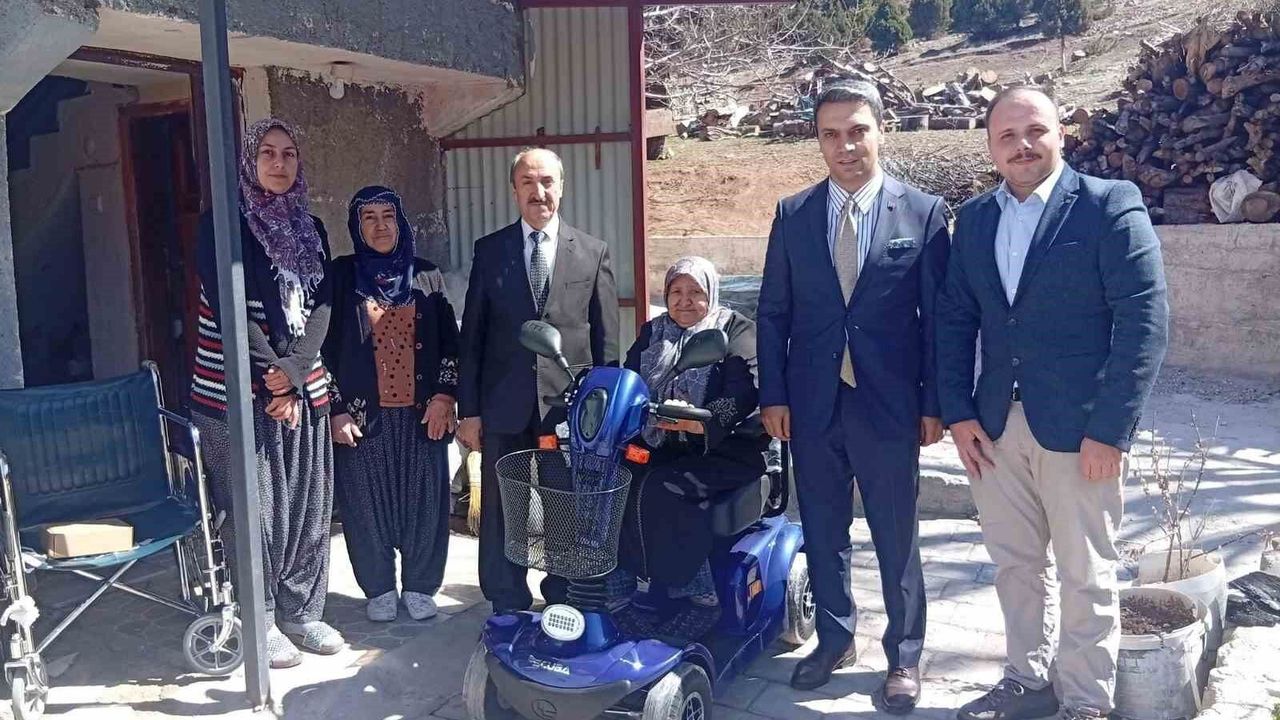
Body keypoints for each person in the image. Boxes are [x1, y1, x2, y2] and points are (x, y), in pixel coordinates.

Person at [936, 86, 1168, 720]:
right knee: (1015, 566)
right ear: (990, 147)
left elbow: (1144, 322)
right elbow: (954, 321)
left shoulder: (1108, 205)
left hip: (1080, 431)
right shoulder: (975, 220)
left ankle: (1086, 703)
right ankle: (1028, 679)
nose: (1023, 145)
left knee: (1085, 573)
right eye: (1007, 136)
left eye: (1035, 130)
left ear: (1061, 133)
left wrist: (1111, 430)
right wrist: (958, 412)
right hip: (993, 428)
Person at [756, 80, 950, 711]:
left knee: (895, 533)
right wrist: (774, 394)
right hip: (812, 404)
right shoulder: (793, 215)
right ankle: (835, 639)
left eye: (857, 130)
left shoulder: (922, 214)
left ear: (881, 131)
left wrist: (934, 404)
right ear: (818, 141)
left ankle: (904, 653)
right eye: (831, 134)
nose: (845, 146)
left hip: (889, 406)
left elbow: (938, 321)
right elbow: (773, 313)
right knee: (822, 528)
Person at [188, 118, 343, 668]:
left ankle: (302, 611)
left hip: (302, 386)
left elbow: (323, 304)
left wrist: (294, 373)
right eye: (268, 154)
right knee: (255, 511)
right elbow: (230, 307)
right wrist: (270, 375)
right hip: (235, 391)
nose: (279, 163)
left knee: (307, 505)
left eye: (289, 154)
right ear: (250, 162)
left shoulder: (311, 227)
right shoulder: (221, 226)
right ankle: (260, 616)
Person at [457, 147, 620, 613]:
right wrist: (470, 411)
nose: (539, 191)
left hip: (566, 412)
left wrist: (603, 414)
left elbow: (606, 344)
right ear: (514, 190)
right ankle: (505, 600)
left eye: (547, 181)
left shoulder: (591, 253)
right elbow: (473, 338)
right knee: (501, 507)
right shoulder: (490, 252)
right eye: (528, 182)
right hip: (503, 406)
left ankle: (563, 596)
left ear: (562, 187)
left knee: (563, 506)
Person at [323, 186, 460, 623]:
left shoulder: (427, 275)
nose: (380, 226)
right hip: (362, 416)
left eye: (388, 216)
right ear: (356, 226)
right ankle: (378, 586)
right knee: (365, 505)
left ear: (401, 222)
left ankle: (420, 584)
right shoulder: (340, 277)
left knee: (425, 503)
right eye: (369, 217)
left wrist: (445, 396)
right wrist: (335, 408)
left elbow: (451, 345)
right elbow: (322, 349)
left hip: (423, 414)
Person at [615, 256, 767, 609]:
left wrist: (703, 420)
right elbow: (629, 376)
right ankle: (621, 578)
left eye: (696, 292)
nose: (685, 301)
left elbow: (744, 392)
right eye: (676, 292)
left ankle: (694, 587)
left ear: (710, 293)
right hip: (661, 443)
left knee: (663, 488)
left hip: (725, 448)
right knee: (613, 478)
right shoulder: (653, 332)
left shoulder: (734, 329)